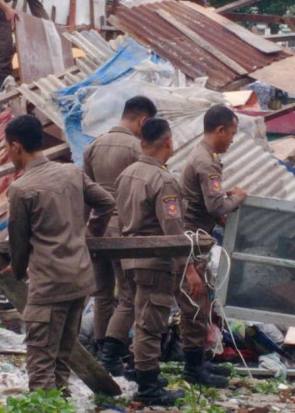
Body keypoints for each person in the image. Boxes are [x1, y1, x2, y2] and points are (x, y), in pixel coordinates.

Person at [3, 115, 115, 392]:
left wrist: (18, 270)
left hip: (50, 284)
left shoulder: (21, 189)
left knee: (40, 360)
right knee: (62, 356)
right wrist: (88, 234)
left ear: (16, 146)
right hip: (79, 280)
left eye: (7, 148)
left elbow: (18, 244)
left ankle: (45, 408)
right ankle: (61, 401)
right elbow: (107, 202)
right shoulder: (70, 172)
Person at [115, 118, 190, 406]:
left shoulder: (127, 175)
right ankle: (148, 388)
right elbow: (172, 229)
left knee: (140, 315)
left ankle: (144, 373)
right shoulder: (163, 179)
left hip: (129, 259)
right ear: (168, 142)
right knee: (151, 323)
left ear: (142, 141)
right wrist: (186, 266)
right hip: (155, 261)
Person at [82, 96, 157, 374]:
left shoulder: (92, 146)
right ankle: (115, 355)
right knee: (128, 295)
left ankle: (103, 351)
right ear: (144, 121)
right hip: (124, 229)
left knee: (101, 294)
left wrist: (86, 231)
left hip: (95, 230)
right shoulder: (137, 149)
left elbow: (86, 194)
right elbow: (140, 192)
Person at [177, 104, 247, 387]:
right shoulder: (206, 161)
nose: (232, 139)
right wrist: (238, 197)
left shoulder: (206, 156)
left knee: (201, 304)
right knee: (194, 305)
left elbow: (209, 205)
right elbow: (215, 204)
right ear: (220, 130)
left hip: (197, 241)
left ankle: (199, 363)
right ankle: (193, 371)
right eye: (231, 133)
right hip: (190, 244)